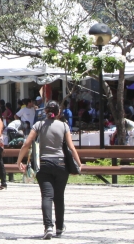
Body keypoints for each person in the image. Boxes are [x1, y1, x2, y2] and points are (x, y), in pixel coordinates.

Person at [16, 101, 81, 240]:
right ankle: (59, 227)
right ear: (58, 113)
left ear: (45, 112)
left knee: (47, 196)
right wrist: (79, 163)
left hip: (43, 164)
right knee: (59, 197)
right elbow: (71, 147)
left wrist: (19, 161)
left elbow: (27, 143)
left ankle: (48, 227)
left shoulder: (38, 125)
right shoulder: (64, 125)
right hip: (61, 164)